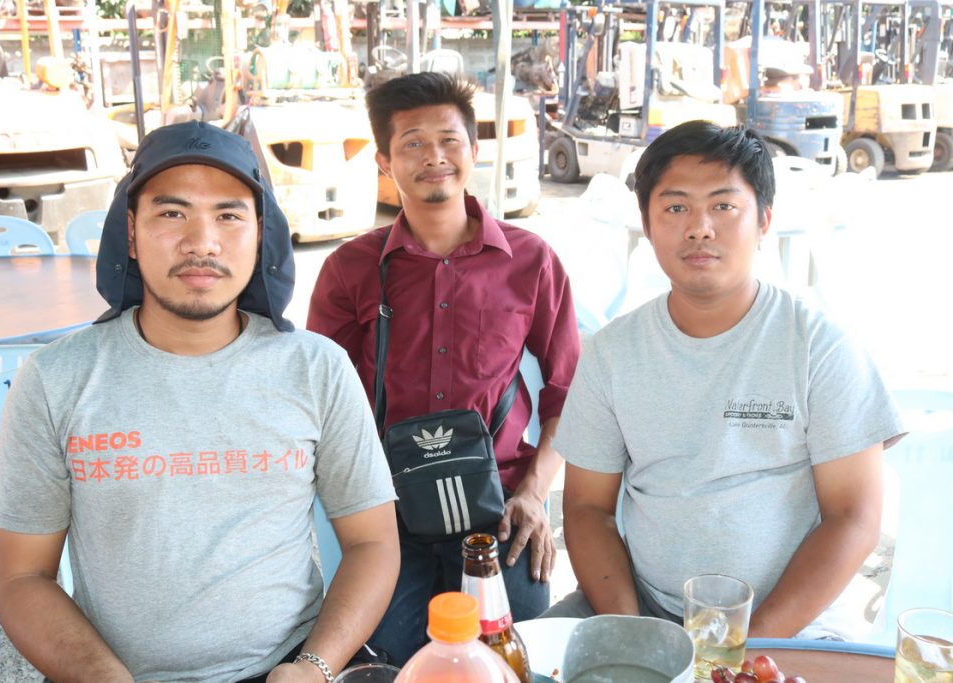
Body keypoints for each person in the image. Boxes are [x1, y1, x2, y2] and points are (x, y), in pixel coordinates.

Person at [0, 121, 400, 683]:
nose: (202, 242)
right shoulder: (55, 378)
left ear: (261, 233)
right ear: (131, 233)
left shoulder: (317, 368)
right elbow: (21, 576)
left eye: (229, 215)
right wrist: (101, 676)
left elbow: (373, 542)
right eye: (171, 213)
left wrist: (314, 667)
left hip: (287, 666)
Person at [544, 121, 905, 640]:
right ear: (647, 225)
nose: (700, 228)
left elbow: (853, 517)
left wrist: (745, 650)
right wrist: (635, 634)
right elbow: (586, 508)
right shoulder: (611, 353)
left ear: (764, 221)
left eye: (724, 206)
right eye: (675, 208)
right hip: (646, 607)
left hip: (796, 624)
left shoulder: (818, 346)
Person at [306, 72, 580, 663]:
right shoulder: (350, 270)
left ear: (473, 150)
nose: (434, 157)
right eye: (413, 143)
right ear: (384, 161)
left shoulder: (531, 261)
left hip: (499, 508)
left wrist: (535, 493)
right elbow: (320, 401)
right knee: (389, 660)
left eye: (449, 140)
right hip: (387, 512)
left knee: (510, 655)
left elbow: (569, 391)